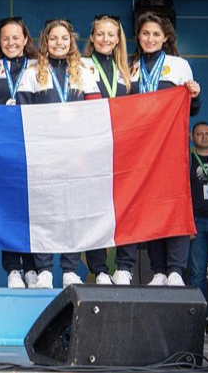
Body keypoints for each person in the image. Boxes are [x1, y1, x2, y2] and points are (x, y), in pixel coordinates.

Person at [17, 19, 101, 288]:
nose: (59, 43)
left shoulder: (84, 72)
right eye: (53, 38)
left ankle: (69, 269)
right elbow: (22, 114)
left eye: (64, 38)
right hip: (44, 156)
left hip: (76, 156)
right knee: (44, 213)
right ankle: (44, 270)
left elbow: (95, 114)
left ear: (71, 41)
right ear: (45, 41)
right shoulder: (32, 72)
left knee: (72, 214)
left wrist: (84, 152)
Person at [130, 11, 201, 286]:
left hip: (171, 149)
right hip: (140, 150)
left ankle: (175, 270)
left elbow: (191, 108)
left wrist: (194, 94)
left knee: (174, 205)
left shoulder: (178, 65)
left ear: (165, 37)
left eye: (156, 34)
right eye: (145, 33)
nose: (150, 38)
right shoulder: (131, 66)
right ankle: (159, 270)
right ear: (138, 37)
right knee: (148, 208)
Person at [0, 16, 39, 288]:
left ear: (25, 39)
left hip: (31, 146)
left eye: (16, 37)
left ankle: (32, 268)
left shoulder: (38, 67)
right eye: (5, 38)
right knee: (7, 209)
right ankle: (13, 269)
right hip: (2, 149)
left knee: (31, 208)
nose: (11, 43)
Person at [80, 14, 132, 285]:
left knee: (127, 205)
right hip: (91, 149)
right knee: (94, 209)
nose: (105, 39)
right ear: (92, 37)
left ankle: (125, 267)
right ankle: (99, 268)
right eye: (100, 33)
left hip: (122, 149)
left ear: (118, 39)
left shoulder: (127, 70)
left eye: (111, 34)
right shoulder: (81, 65)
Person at [188, 121, 208, 297]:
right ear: (192, 138)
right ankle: (200, 315)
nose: (204, 137)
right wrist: (188, 223)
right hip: (197, 223)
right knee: (197, 273)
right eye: (199, 134)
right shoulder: (188, 162)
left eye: (207, 133)